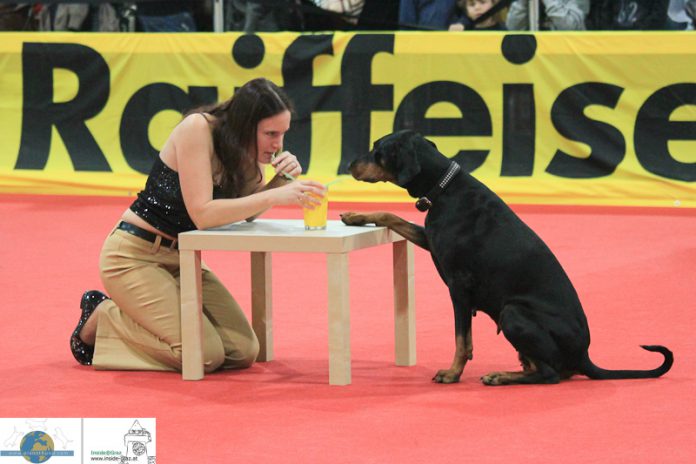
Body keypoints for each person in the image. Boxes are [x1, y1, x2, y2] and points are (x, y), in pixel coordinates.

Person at [70, 78, 326, 373]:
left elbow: (247, 211)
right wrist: (275, 194)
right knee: (203, 355)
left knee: (243, 351)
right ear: (245, 126)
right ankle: (103, 315)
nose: (278, 144)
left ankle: (134, 323)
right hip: (133, 257)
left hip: (183, 258)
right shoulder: (198, 129)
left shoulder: (244, 151)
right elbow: (202, 214)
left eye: (283, 134)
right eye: (270, 133)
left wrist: (278, 181)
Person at [506, 0, 590, 30]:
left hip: (566, 56)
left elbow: (571, 28)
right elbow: (513, 28)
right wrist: (522, 2)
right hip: (533, 58)